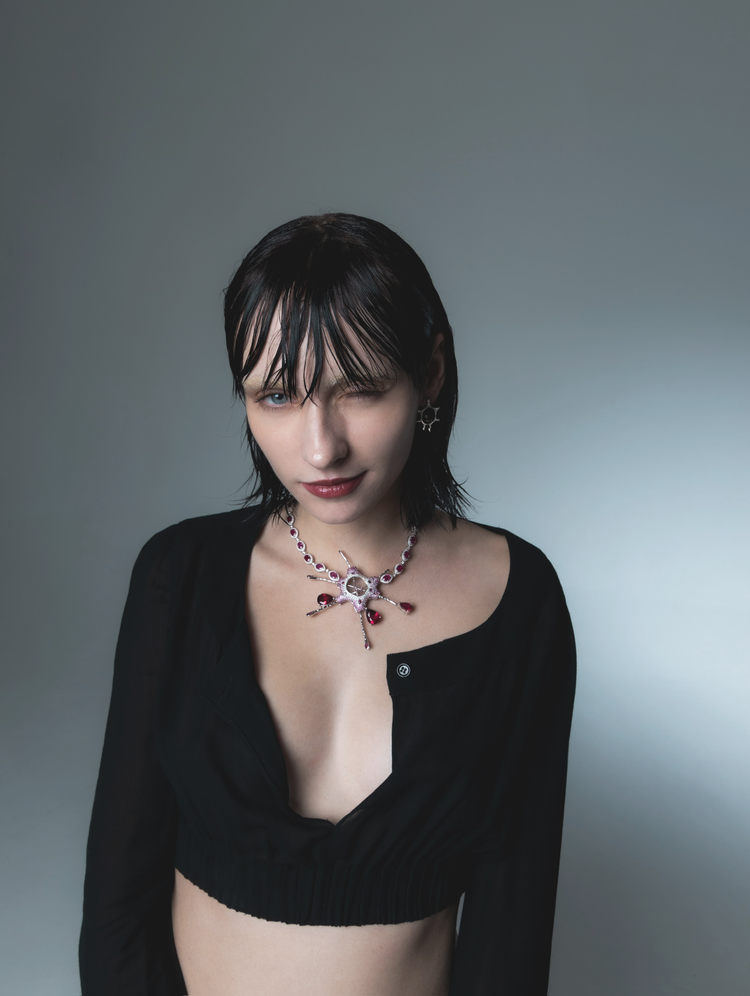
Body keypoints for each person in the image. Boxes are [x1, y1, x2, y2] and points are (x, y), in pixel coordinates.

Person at [79, 212, 576, 996]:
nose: (321, 448)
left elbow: (511, 930)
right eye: (277, 396)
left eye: (361, 391)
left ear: (430, 372)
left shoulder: (521, 598)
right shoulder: (181, 577)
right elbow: (117, 903)